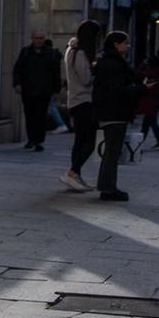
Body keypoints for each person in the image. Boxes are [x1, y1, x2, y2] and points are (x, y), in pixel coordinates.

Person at [93, 31, 152, 202]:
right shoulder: (113, 64)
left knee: (112, 151)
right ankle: (108, 188)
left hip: (111, 111)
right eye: (125, 43)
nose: (128, 45)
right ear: (116, 44)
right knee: (113, 152)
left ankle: (107, 186)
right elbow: (118, 91)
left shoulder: (109, 62)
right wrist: (143, 89)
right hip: (114, 112)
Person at [60, 20, 101, 191]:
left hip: (75, 100)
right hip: (84, 100)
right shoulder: (80, 53)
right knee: (90, 141)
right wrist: (96, 73)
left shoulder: (71, 50)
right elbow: (85, 80)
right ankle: (73, 172)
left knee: (80, 140)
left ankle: (75, 175)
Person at [13, 30, 62, 151]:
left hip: (44, 90)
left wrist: (56, 90)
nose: (39, 40)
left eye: (41, 38)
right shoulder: (25, 52)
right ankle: (31, 139)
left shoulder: (50, 53)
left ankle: (38, 141)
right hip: (28, 90)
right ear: (32, 39)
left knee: (40, 117)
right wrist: (17, 84)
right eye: (36, 38)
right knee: (30, 115)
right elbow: (17, 69)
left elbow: (56, 73)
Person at [136, 48, 159, 150]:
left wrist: (143, 64)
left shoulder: (151, 70)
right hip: (156, 98)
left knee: (150, 120)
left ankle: (141, 142)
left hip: (150, 98)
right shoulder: (157, 71)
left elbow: (138, 73)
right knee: (148, 120)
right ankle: (141, 141)